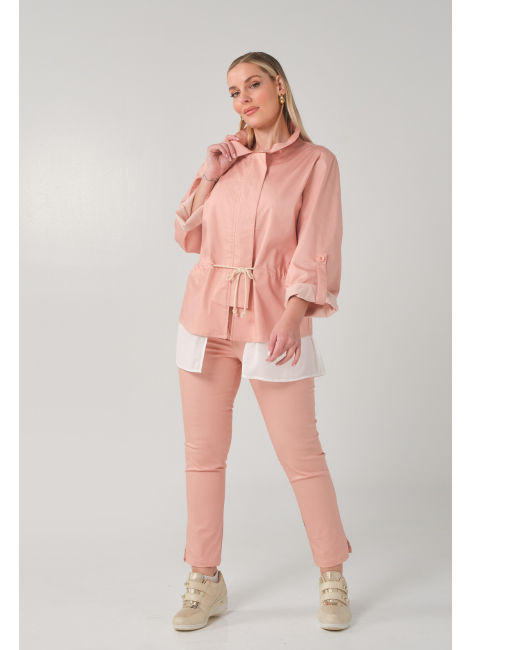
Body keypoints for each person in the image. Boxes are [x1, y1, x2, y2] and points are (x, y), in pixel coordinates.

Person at [172, 52, 353, 632]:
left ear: (279, 87)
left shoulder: (317, 162)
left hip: (273, 323)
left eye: (252, 84)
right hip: (205, 321)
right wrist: (209, 173)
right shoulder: (225, 160)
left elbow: (317, 244)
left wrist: (294, 314)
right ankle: (204, 578)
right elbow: (186, 234)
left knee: (301, 456)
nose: (242, 98)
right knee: (203, 458)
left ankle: (332, 574)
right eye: (232, 91)